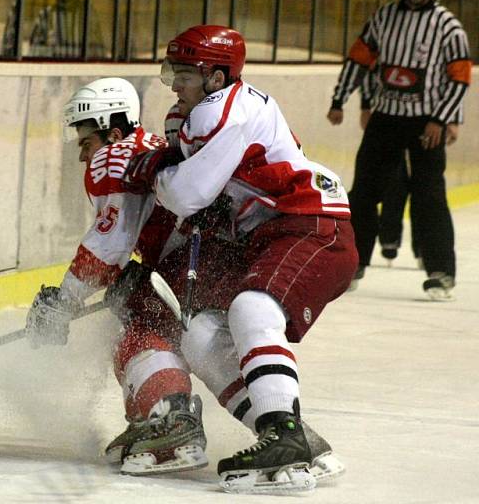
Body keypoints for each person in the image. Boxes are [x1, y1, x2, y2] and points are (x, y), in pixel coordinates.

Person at [121, 25, 357, 494]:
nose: (173, 83)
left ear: (214, 76)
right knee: (201, 334)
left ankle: (283, 436)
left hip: (310, 220)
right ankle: (298, 438)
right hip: (267, 232)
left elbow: (188, 194)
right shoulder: (202, 112)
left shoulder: (226, 109)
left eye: (184, 73)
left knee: (252, 308)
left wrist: (160, 171)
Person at [24, 77, 210, 476]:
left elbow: (109, 243)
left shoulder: (113, 158)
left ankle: (173, 418)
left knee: (139, 334)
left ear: (111, 132)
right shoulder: (145, 146)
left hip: (188, 266)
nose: (83, 157)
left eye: (85, 143)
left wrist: (64, 300)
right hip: (200, 260)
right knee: (136, 326)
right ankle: (157, 413)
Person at [327, 0, 471, 299]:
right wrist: (339, 99)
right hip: (386, 117)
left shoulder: (448, 26)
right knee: (362, 193)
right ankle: (353, 264)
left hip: (426, 124)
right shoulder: (383, 19)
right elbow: (359, 60)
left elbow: (460, 78)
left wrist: (441, 118)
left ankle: (440, 272)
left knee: (430, 196)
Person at [359, 62, 420, 266]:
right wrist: (366, 105)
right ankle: (389, 238)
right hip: (388, 122)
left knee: (424, 188)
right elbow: (366, 70)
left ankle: (422, 248)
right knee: (394, 181)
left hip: (422, 121)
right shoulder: (386, 45)